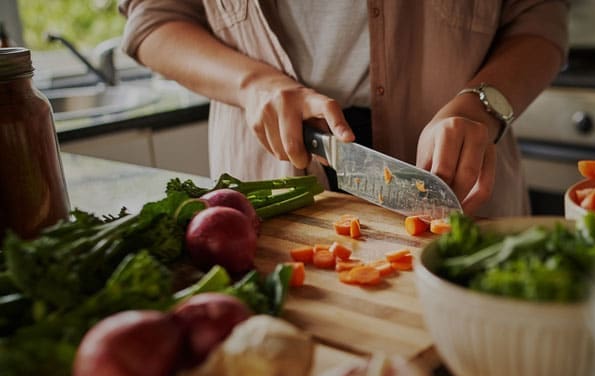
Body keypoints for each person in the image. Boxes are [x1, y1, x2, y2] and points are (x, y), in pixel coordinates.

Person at [118, 1, 569, 217]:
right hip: (273, 172)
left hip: (461, 180)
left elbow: (540, 22)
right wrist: (253, 84)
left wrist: (481, 105)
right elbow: (153, 20)